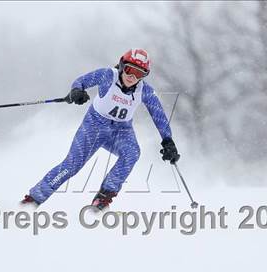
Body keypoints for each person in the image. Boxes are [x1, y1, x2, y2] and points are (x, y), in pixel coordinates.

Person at [21, 48, 180, 210]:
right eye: (130, 70)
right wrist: (77, 91)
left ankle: (102, 200)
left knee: (132, 153)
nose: (132, 77)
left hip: (121, 131)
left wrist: (168, 141)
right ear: (121, 66)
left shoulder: (144, 91)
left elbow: (158, 115)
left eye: (139, 74)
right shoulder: (107, 76)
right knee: (72, 165)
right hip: (94, 126)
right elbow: (81, 81)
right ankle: (33, 199)